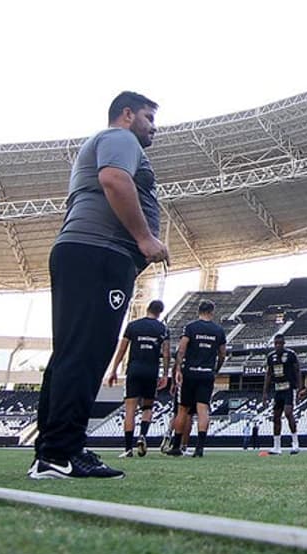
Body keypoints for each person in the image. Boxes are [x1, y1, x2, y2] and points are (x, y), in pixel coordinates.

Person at [29, 91, 168, 480]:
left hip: (83, 252)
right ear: (127, 114)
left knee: (71, 354)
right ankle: (60, 453)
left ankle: (53, 450)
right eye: (148, 117)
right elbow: (113, 179)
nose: (154, 127)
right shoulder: (119, 139)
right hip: (100, 253)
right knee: (86, 355)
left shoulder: (106, 141)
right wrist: (145, 239)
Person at [107, 300, 170, 458]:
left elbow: (122, 349)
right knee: (148, 407)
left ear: (148, 309)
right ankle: (142, 435)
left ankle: (128, 449)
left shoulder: (133, 326)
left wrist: (113, 370)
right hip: (151, 371)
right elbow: (167, 353)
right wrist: (165, 374)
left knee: (130, 410)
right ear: (160, 312)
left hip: (134, 370)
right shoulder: (163, 329)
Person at [165, 300, 227, 458]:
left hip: (190, 372)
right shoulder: (218, 330)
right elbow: (222, 355)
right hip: (207, 373)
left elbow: (181, 350)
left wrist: (178, 368)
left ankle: (176, 445)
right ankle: (199, 448)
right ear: (212, 312)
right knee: (202, 410)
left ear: (198, 311)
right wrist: (216, 370)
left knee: (183, 409)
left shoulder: (191, 327)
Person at [262, 334, 301, 455]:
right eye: (276, 343)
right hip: (278, 389)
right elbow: (268, 375)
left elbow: (297, 371)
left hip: (288, 388)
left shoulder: (290, 355)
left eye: (280, 343)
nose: (278, 345)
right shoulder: (271, 357)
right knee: (276, 417)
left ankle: (295, 444)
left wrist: (299, 388)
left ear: (284, 343)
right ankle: (277, 447)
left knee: (288, 413)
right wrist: (265, 392)